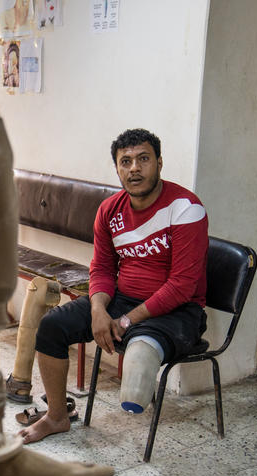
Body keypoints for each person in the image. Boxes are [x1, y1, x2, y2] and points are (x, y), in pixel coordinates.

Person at [20, 128, 209, 444]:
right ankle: (56, 417)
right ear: (118, 169)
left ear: (159, 163)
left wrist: (124, 321)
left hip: (179, 311)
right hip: (123, 297)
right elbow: (103, 268)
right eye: (126, 161)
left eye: (143, 159)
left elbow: (182, 285)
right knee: (52, 326)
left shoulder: (186, 208)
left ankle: (139, 349)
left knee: (138, 363)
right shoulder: (110, 210)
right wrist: (98, 310)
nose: (134, 168)